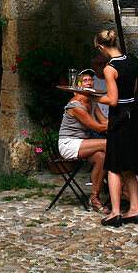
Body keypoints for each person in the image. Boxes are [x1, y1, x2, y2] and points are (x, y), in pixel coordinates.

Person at [95, 28, 138, 228]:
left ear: (101, 47)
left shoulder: (110, 68)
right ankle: (135, 209)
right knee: (129, 168)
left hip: (119, 120)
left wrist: (94, 96)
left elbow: (113, 100)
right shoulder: (131, 63)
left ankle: (115, 212)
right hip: (133, 117)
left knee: (114, 167)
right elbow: (132, 91)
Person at [57, 68, 109, 213]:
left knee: (102, 157)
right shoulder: (76, 106)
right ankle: (118, 181)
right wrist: (115, 125)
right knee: (107, 144)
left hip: (83, 143)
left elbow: (103, 121)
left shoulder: (92, 102)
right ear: (78, 84)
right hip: (69, 144)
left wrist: (112, 124)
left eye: (91, 80)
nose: (89, 83)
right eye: (85, 80)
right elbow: (98, 128)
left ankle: (94, 197)